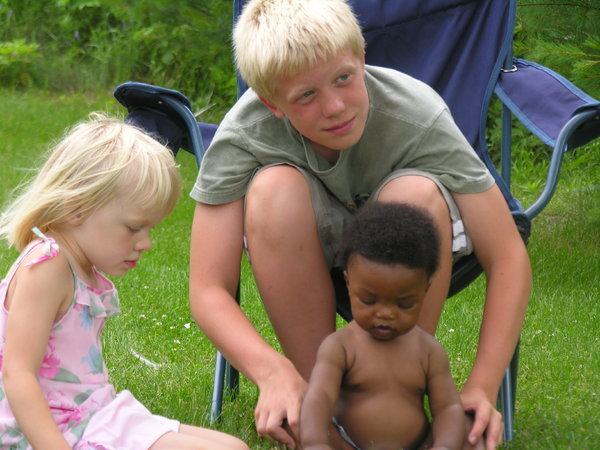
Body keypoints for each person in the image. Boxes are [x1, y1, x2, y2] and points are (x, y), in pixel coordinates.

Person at [188, 0, 531, 448]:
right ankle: (321, 409)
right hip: (300, 253)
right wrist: (273, 374)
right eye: (306, 96)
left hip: (411, 243)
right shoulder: (244, 133)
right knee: (272, 189)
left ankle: (397, 391)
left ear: (362, 58)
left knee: (417, 194)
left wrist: (482, 387)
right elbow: (207, 288)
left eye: (344, 79)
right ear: (272, 103)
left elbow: (506, 256)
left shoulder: (417, 113)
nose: (334, 107)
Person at [0, 114, 249, 450]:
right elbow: (17, 375)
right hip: (57, 430)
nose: (146, 243)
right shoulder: (48, 265)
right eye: (134, 228)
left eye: (150, 229)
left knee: (232, 445)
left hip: (94, 414)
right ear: (76, 208)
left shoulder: (78, 266)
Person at [300, 202, 465, 450]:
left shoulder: (428, 352)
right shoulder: (340, 347)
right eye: (368, 300)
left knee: (471, 433)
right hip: (348, 445)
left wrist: (444, 446)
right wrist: (315, 442)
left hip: (419, 445)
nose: (386, 314)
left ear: (426, 289)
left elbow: (448, 407)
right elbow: (319, 397)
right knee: (297, 424)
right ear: (348, 282)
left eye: (405, 304)